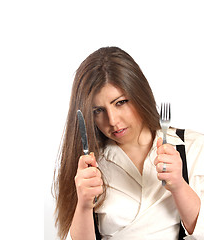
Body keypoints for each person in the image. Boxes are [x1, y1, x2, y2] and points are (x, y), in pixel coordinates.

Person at [53, 47, 204, 240]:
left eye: (120, 102)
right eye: (98, 110)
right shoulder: (91, 165)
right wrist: (83, 203)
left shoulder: (193, 147)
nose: (113, 120)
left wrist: (179, 186)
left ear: (139, 93)